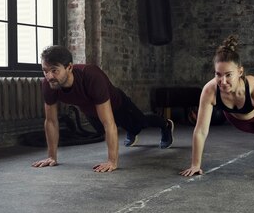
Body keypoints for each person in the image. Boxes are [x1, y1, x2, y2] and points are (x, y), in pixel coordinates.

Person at [31, 45, 175, 173]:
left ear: (69, 67)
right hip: (91, 111)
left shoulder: (91, 76)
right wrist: (52, 156)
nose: (49, 76)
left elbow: (108, 122)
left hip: (118, 105)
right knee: (102, 133)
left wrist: (112, 162)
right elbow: (51, 121)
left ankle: (166, 124)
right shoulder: (49, 85)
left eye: (54, 70)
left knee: (139, 124)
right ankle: (131, 128)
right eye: (45, 71)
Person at [179, 35, 254, 185]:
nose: (223, 81)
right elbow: (200, 131)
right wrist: (195, 165)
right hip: (238, 120)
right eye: (218, 74)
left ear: (240, 71)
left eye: (228, 75)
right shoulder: (209, 90)